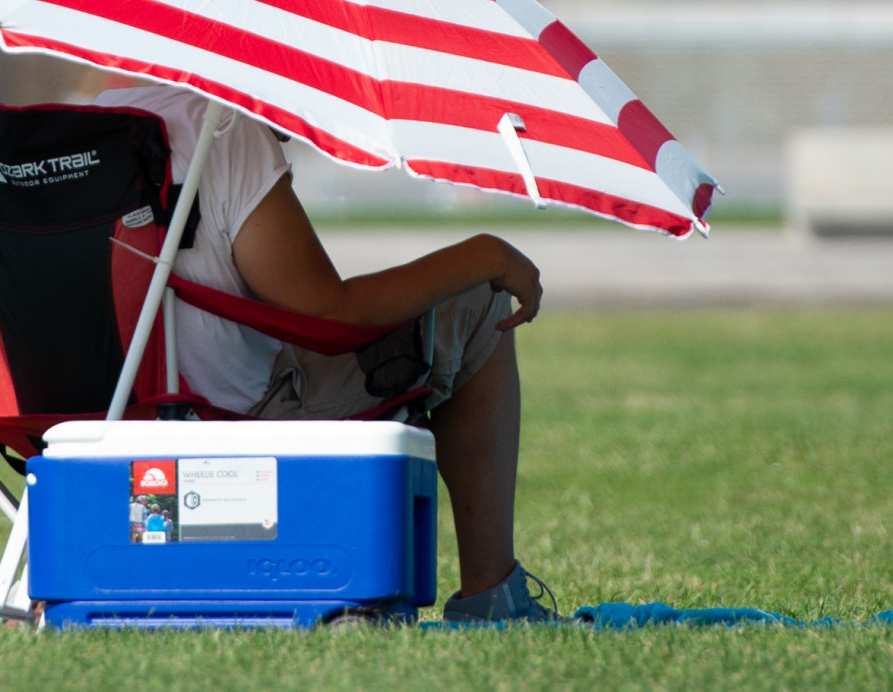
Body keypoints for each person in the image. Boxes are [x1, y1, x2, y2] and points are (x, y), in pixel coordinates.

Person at [88, 77, 557, 624]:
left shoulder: (102, 120)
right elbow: (327, 312)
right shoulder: (221, 129)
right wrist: (487, 254)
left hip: (106, 418)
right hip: (230, 417)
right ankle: (491, 593)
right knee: (480, 303)